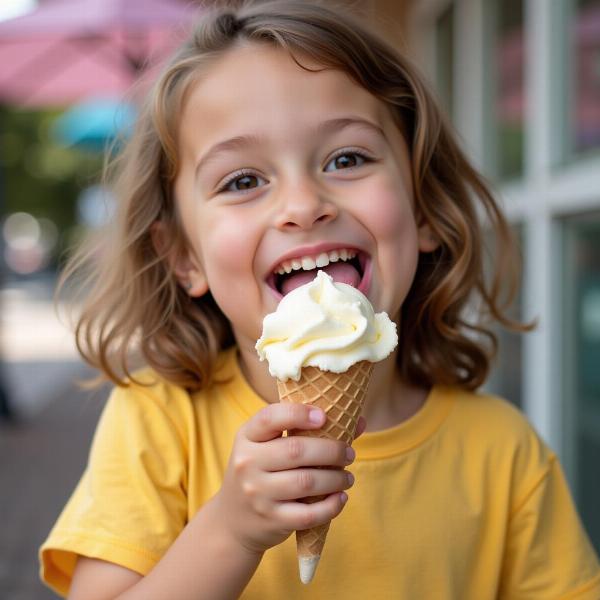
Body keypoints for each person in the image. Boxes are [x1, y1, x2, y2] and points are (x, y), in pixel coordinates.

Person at [39, 1, 600, 598]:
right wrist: (229, 532)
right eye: (243, 180)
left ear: (426, 209)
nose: (304, 204)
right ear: (184, 255)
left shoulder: (505, 451)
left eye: (348, 158)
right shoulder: (160, 419)